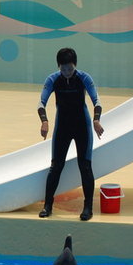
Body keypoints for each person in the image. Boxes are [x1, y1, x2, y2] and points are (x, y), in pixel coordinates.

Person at [37, 48, 104, 221]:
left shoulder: (84, 78)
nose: (67, 72)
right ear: (58, 66)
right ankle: (48, 205)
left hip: (82, 127)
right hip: (63, 127)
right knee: (56, 166)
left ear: (75, 65)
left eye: (70, 68)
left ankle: (88, 207)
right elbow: (41, 103)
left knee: (85, 166)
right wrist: (44, 121)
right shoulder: (53, 79)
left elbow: (97, 101)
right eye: (63, 69)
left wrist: (96, 120)